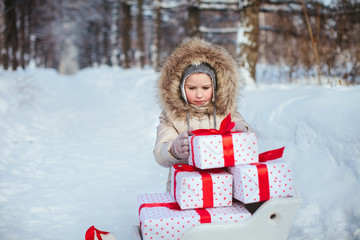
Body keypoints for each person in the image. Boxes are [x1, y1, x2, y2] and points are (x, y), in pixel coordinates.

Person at [153, 37, 254, 192]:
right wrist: (174, 149)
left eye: (205, 88)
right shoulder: (171, 117)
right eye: (192, 88)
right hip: (186, 190)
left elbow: (251, 139)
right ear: (180, 88)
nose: (199, 94)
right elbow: (160, 152)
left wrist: (242, 131)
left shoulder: (226, 113)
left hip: (221, 188)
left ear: (215, 87)